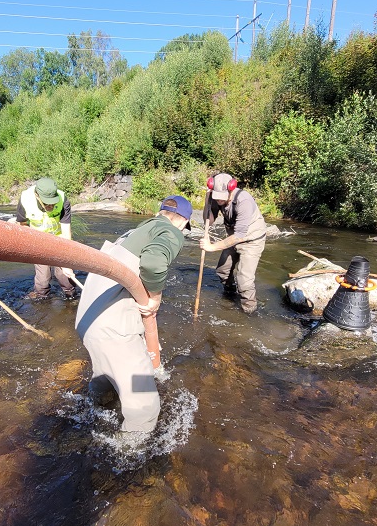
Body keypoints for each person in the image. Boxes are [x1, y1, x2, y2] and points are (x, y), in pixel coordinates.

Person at [75, 196, 192, 436]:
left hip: (88, 320)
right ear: (182, 221)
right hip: (114, 331)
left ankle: (89, 420)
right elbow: (154, 264)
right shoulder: (171, 232)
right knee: (145, 406)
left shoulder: (133, 232)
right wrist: (155, 298)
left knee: (105, 382)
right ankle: (127, 460)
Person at [200, 173, 267, 314]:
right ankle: (230, 296)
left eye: (222, 196)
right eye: (216, 195)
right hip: (233, 237)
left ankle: (249, 311)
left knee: (245, 280)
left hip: (251, 240)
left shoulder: (244, 201)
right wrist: (207, 201)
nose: (219, 199)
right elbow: (209, 221)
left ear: (231, 189)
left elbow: (239, 235)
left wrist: (212, 247)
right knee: (222, 271)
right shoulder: (215, 197)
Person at [12, 177, 78, 299]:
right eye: (47, 203)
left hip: (59, 240)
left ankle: (72, 297)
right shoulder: (26, 199)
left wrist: (66, 262)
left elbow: (66, 233)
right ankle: (41, 298)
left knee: (65, 277)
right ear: (37, 196)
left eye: (53, 202)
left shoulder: (63, 200)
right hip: (38, 241)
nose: (51, 205)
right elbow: (23, 226)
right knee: (42, 281)